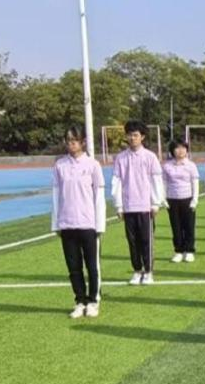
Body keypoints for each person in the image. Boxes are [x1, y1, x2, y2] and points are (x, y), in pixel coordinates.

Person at [52, 126, 106, 319]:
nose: (71, 144)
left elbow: (99, 195)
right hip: (67, 224)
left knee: (92, 266)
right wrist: (56, 224)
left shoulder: (93, 165)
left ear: (82, 142)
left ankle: (93, 300)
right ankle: (80, 300)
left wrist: (99, 224)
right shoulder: (60, 165)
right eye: (68, 141)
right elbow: (56, 195)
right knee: (73, 268)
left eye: (74, 141)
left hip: (88, 223)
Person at [111, 121, 165, 285]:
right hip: (129, 206)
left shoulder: (150, 157)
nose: (132, 138)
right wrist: (118, 205)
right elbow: (117, 181)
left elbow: (156, 180)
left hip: (145, 206)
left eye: (135, 135)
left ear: (142, 137)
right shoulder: (121, 158)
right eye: (129, 135)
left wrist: (155, 203)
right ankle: (137, 270)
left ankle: (148, 271)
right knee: (132, 242)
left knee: (146, 241)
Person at [162, 139, 201, 263]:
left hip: (187, 199)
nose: (180, 151)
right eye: (177, 148)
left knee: (188, 226)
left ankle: (189, 250)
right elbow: (164, 183)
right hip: (172, 200)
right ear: (172, 150)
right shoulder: (167, 166)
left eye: (183, 148)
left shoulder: (191, 165)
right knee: (176, 227)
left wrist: (195, 200)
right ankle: (178, 251)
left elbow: (195, 183)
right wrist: (163, 198)